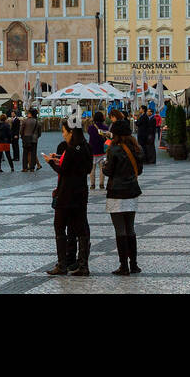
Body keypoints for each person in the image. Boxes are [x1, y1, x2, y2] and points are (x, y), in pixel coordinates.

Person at [44, 114, 93, 276]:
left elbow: (64, 171)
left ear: (71, 132)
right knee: (81, 228)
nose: (63, 134)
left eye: (64, 131)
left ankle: (62, 264)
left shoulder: (71, 150)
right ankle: (83, 265)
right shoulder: (86, 147)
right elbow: (86, 169)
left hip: (66, 195)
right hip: (81, 194)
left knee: (59, 227)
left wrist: (51, 162)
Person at [102, 118, 143, 275]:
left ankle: (123, 266)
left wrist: (104, 166)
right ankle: (134, 264)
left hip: (117, 192)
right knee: (130, 228)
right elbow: (139, 171)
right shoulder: (136, 148)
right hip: (132, 191)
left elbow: (108, 171)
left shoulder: (114, 149)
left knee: (120, 230)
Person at [87, 111, 109, 189]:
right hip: (102, 150)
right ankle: (101, 184)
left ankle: (92, 185)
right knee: (101, 168)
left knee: (92, 169)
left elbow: (89, 133)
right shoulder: (105, 127)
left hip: (92, 150)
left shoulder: (90, 128)